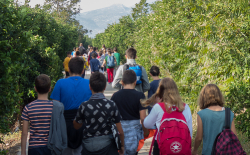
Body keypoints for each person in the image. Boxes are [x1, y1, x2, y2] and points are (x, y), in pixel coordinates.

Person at [73, 72, 125, 155]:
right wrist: (121, 146)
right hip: (107, 146)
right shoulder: (111, 105)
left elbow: (76, 126)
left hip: (88, 146)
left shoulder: (84, 105)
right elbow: (120, 132)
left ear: (90, 87)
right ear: (105, 87)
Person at [50, 57, 92, 155]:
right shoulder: (89, 83)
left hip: (64, 124)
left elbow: (55, 106)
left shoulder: (60, 83)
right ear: (82, 70)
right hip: (83, 124)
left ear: (69, 70)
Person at [142, 78, 193, 155]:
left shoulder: (158, 107)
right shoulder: (185, 107)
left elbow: (147, 124)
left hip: (161, 145)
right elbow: (190, 131)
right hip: (181, 145)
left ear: (161, 91)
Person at [111, 70, 149, 155]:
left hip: (119, 132)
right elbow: (143, 118)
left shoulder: (115, 95)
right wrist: (145, 132)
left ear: (122, 82)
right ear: (135, 82)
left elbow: (111, 116)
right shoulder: (140, 95)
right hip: (134, 133)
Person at [192, 84, 236, 155]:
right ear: (219, 96)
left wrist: (194, 150)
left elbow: (199, 138)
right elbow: (234, 136)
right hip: (226, 152)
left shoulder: (201, 114)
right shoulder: (229, 113)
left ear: (203, 97)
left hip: (208, 152)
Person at [21, 74, 57, 155]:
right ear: (50, 89)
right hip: (50, 147)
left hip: (34, 148)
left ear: (35, 89)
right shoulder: (54, 107)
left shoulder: (28, 108)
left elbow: (24, 133)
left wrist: (23, 152)